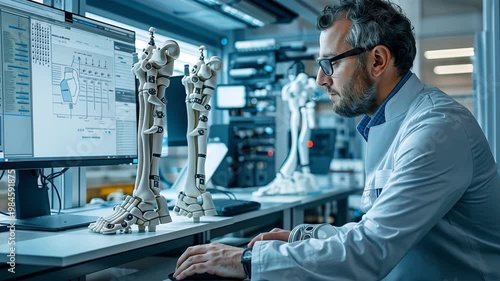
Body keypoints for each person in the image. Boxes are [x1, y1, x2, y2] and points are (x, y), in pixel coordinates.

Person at [173, 0, 500, 280]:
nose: (319, 79)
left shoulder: (435, 130)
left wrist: (243, 260)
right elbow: (378, 229)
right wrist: (304, 236)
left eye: (329, 62)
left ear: (377, 60)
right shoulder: (389, 123)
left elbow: (371, 250)